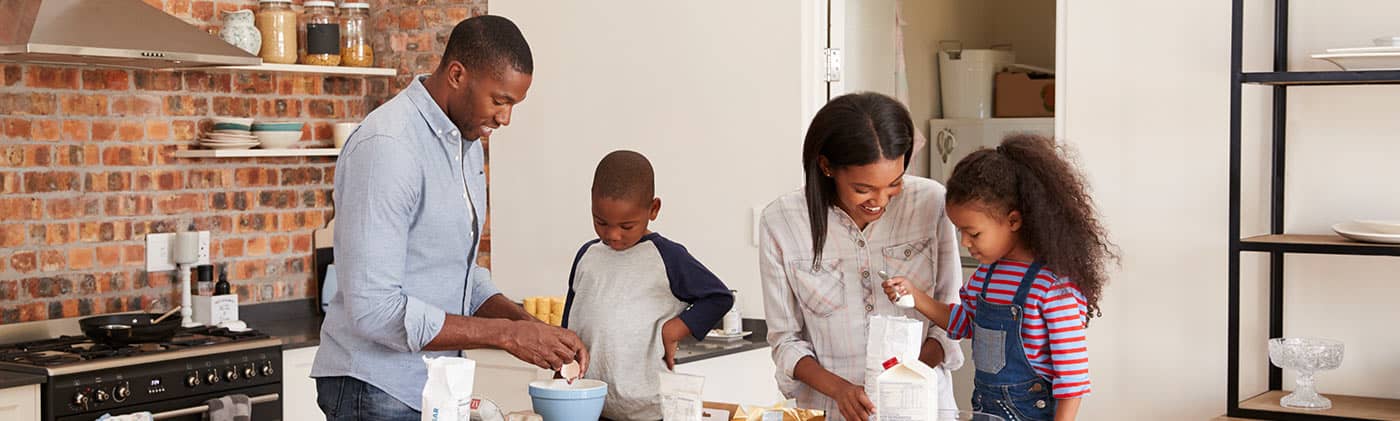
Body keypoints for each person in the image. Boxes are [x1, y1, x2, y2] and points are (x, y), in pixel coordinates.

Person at [312, 15, 589, 420]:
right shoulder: (388, 148)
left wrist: (533, 329)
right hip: (374, 389)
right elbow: (374, 309)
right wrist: (508, 336)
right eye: (500, 100)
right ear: (457, 74)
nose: (505, 118)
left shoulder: (465, 141)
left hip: (431, 387)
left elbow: (459, 271)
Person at [881, 134, 1116, 421]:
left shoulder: (1054, 288)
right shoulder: (986, 276)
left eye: (974, 233)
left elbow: (1072, 381)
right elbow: (964, 323)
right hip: (986, 410)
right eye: (960, 232)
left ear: (1014, 221)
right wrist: (915, 297)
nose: (965, 242)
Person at [759, 92, 963, 421]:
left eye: (893, 184)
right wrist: (841, 390)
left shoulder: (931, 203)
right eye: (863, 189)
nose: (880, 201)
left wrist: (902, 378)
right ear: (827, 166)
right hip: (829, 410)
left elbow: (950, 318)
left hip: (924, 406)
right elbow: (786, 340)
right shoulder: (781, 222)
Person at [561, 150, 735, 421]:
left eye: (626, 226)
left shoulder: (667, 257)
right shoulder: (588, 256)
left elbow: (719, 297)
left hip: (647, 410)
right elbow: (571, 320)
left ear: (653, 209)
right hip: (588, 405)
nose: (612, 234)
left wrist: (674, 329)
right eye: (601, 222)